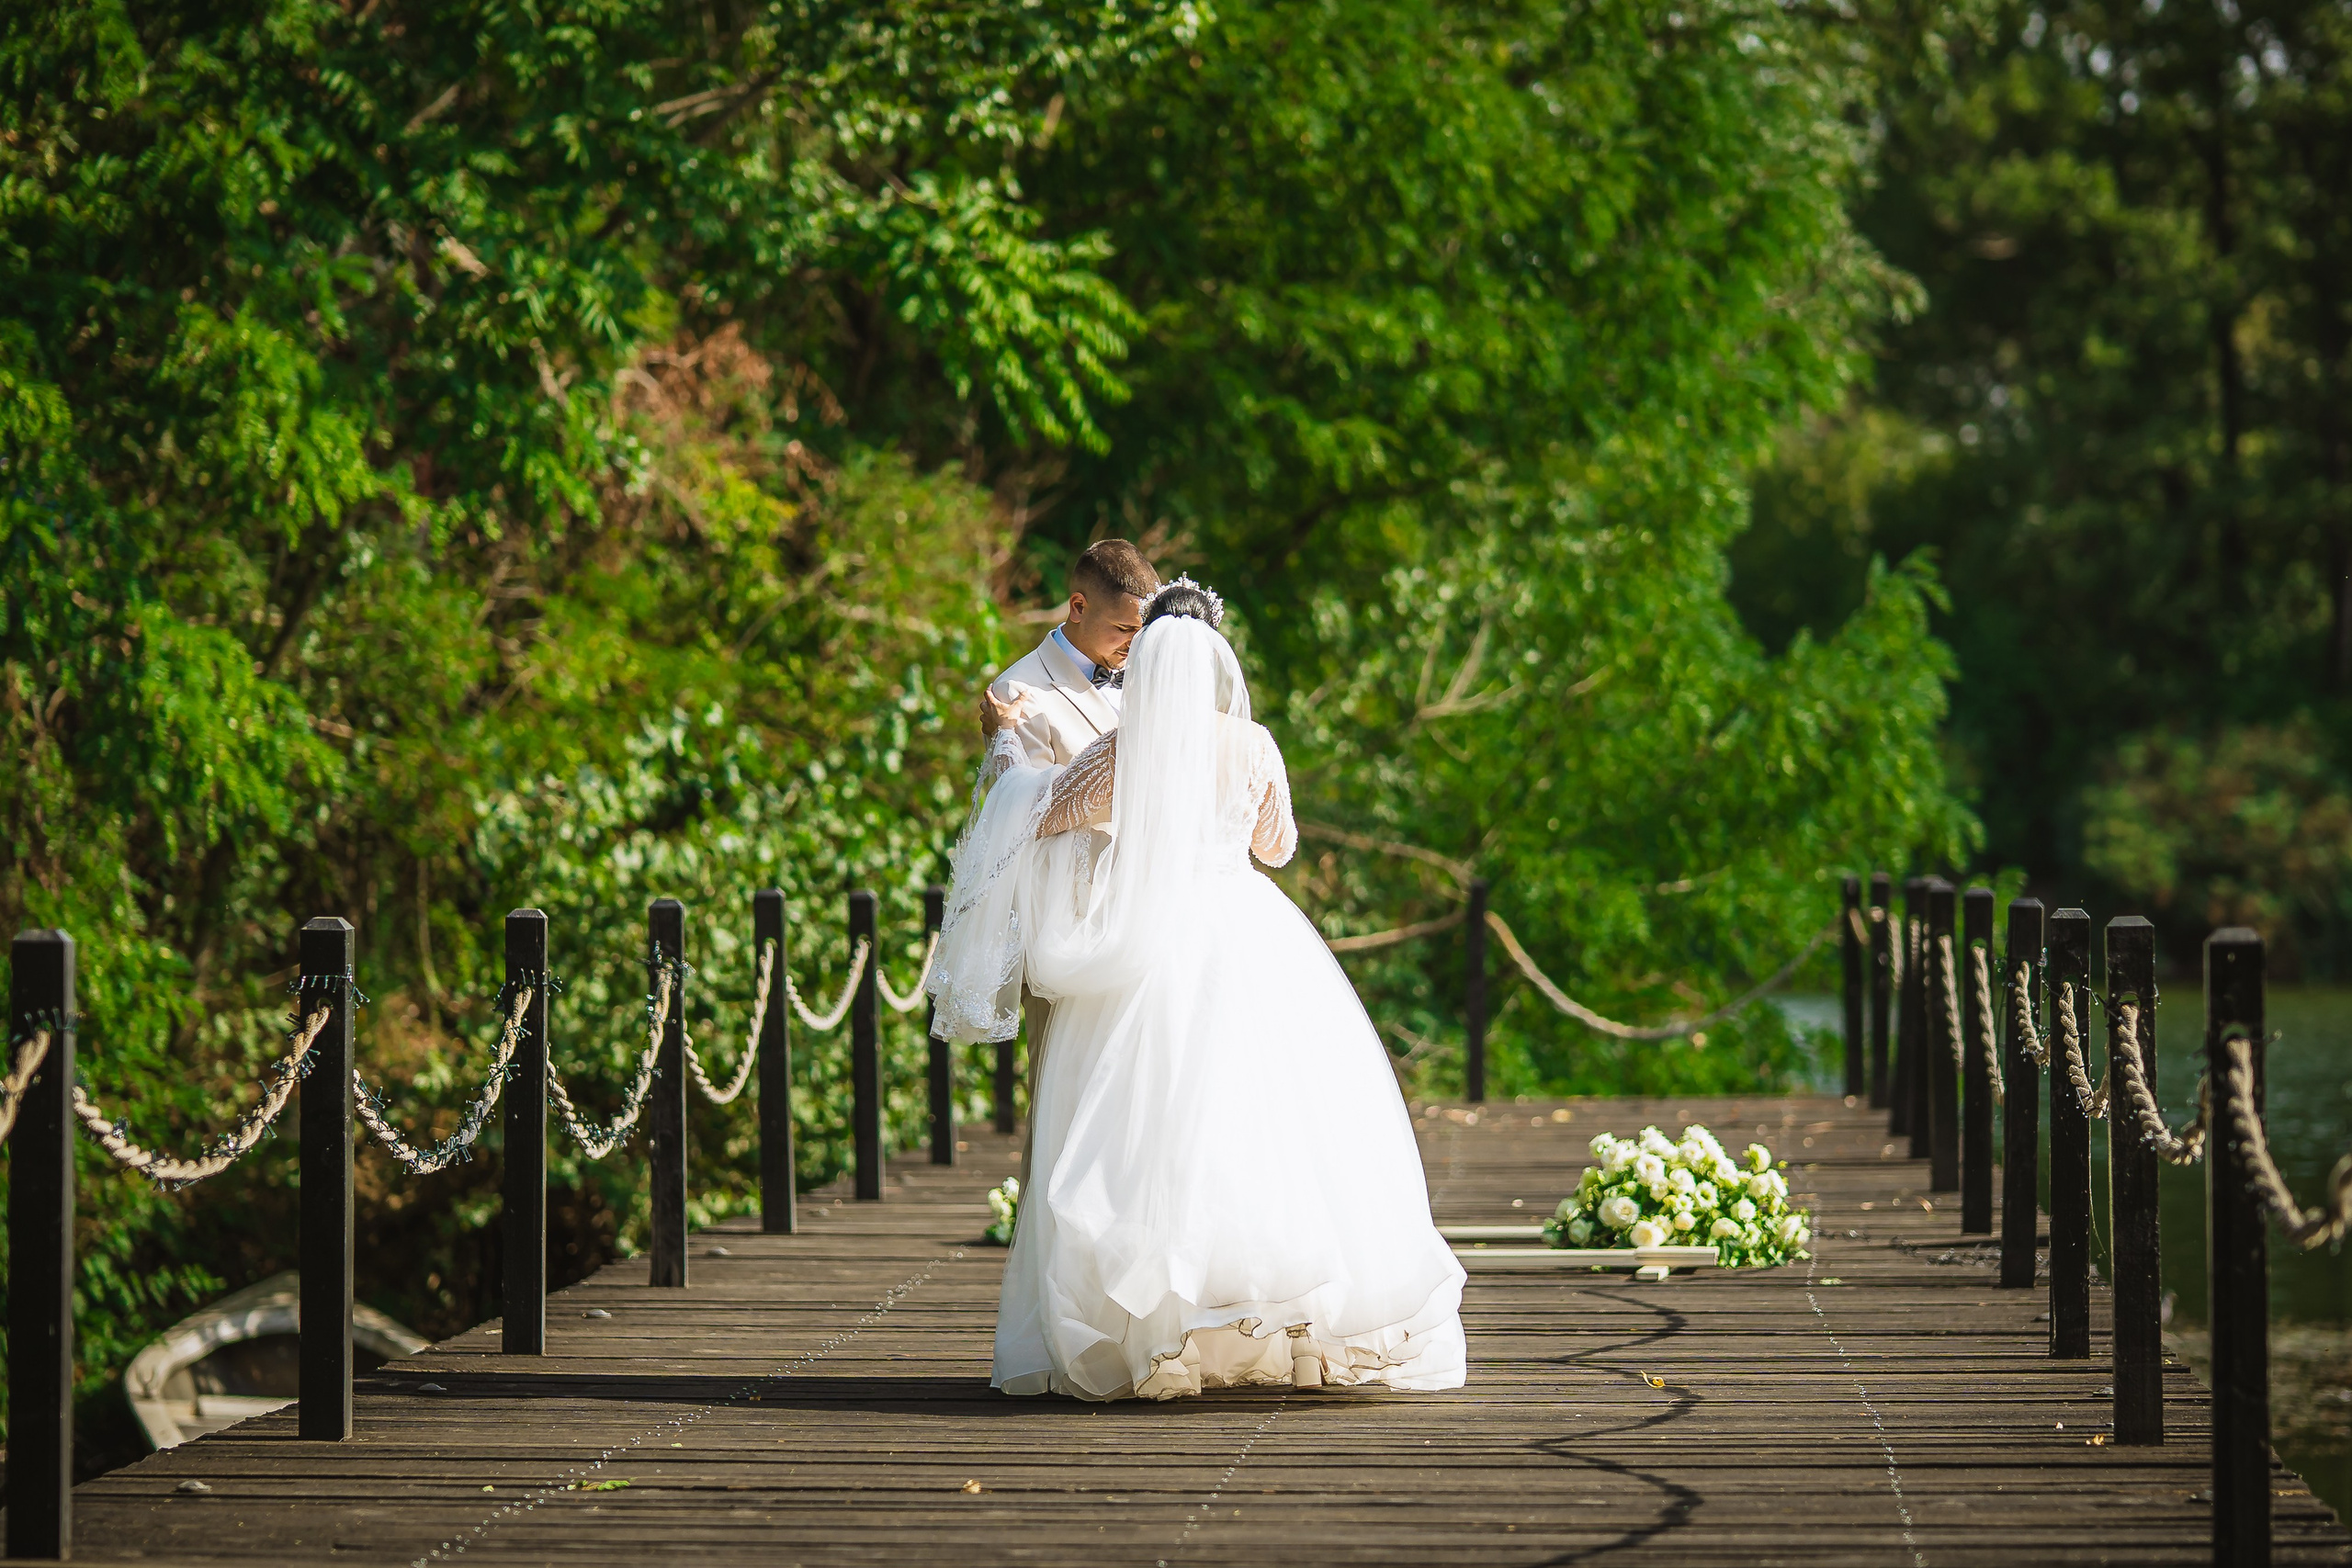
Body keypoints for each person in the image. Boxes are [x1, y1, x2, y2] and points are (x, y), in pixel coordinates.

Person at [929, 577, 1466, 1401]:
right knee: (1273, 1129)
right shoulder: (1255, 743)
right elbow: (1278, 846)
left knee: (1148, 1137)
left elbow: (1037, 813)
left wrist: (1010, 748)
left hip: (1146, 939)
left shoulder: (1127, 748)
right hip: (1252, 931)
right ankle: (1305, 1341)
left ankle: (1163, 1349)